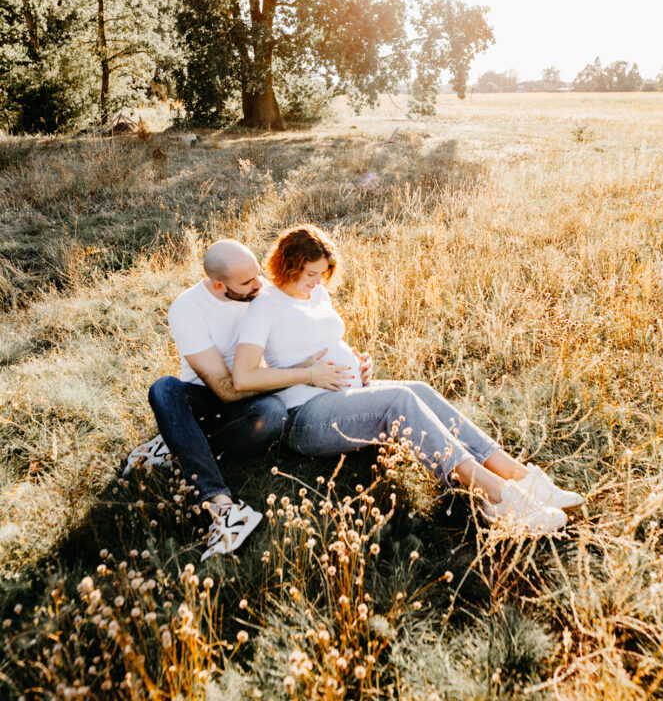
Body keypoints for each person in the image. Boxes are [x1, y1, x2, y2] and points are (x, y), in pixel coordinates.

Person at [232, 225, 584, 535]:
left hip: (347, 393)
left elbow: (323, 340)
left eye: (323, 273)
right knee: (398, 401)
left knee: (417, 390)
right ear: (288, 266)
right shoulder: (266, 306)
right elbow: (244, 375)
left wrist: (356, 361)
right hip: (306, 416)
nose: (318, 281)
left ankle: (518, 476)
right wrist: (310, 373)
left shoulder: (316, 293)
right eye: (310, 273)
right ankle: (497, 496)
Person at [123, 238, 372, 560]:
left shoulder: (263, 293)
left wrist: (351, 361)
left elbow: (309, 335)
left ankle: (179, 443)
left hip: (260, 395)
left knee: (271, 413)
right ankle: (222, 507)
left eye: (257, 275)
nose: (259, 285)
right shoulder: (187, 310)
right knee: (164, 388)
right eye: (247, 282)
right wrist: (304, 372)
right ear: (218, 284)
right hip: (210, 400)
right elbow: (227, 388)